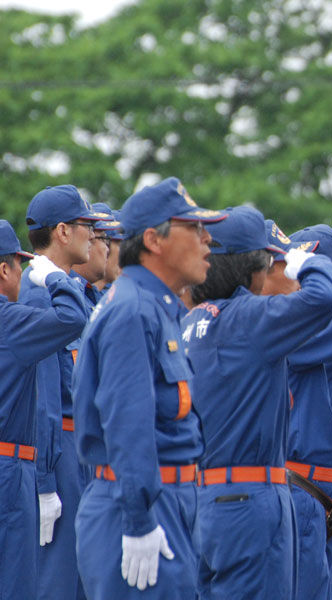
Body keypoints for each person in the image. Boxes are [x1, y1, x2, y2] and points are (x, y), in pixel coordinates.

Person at [73, 177, 227, 597]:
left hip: (168, 499)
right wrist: (139, 519)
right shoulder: (133, 311)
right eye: (193, 229)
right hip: (140, 506)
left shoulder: (155, 307)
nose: (207, 240)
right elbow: (127, 424)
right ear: (154, 241)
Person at [180, 205, 332, 599]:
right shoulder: (248, 316)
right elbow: (322, 299)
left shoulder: (190, 320)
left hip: (201, 497)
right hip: (249, 500)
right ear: (253, 267)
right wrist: (309, 262)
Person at [21, 185, 108, 599]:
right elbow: (43, 399)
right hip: (60, 453)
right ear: (61, 231)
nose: (93, 236)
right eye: (85, 226)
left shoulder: (68, 290)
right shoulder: (40, 294)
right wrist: (44, 482)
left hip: (81, 449)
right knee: (57, 581)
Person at [0, 219, 89, 600]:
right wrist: (55, 279)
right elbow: (73, 317)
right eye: (19, 265)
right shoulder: (10, 320)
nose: (22, 274)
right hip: (9, 465)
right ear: (4, 269)